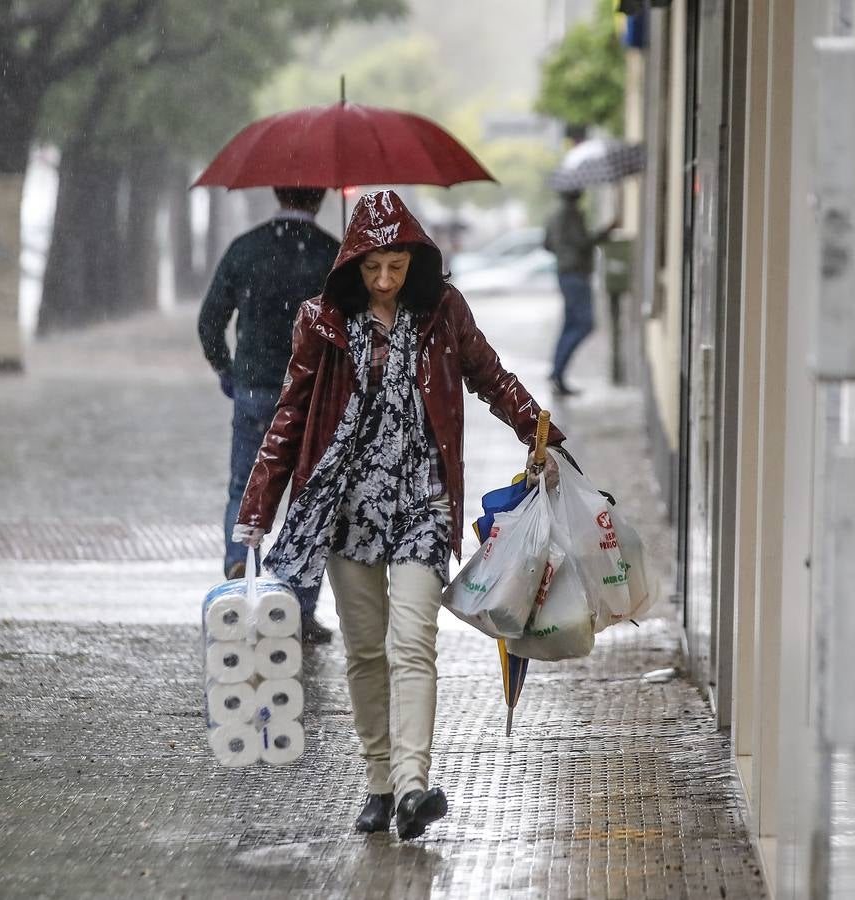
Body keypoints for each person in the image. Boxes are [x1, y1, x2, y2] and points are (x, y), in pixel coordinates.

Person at [232, 190, 567, 841]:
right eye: (372, 268)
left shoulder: (442, 311)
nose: (385, 281)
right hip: (347, 507)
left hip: (422, 502)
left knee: (412, 643)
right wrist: (257, 507)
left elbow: (489, 374)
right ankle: (379, 783)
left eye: (396, 266)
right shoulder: (321, 320)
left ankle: (415, 787)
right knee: (364, 651)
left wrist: (539, 429)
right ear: (353, 265)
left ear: (414, 259)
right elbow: (290, 415)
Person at [197, 186, 340, 644]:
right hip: (312, 395)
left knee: (245, 485)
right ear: (319, 200)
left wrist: (228, 369)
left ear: (277, 193)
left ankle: (239, 584)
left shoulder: (246, 247)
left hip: (255, 389)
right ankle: (296, 607)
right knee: (308, 497)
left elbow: (209, 320)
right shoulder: (332, 255)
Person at [544, 187, 614, 397]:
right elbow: (581, 243)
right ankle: (557, 372)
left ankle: (557, 373)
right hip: (575, 273)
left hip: (565, 273)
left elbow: (547, 244)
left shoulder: (554, 213)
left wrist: (562, 250)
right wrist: (604, 233)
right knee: (584, 323)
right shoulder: (571, 213)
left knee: (571, 324)